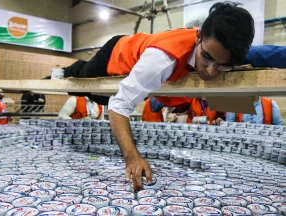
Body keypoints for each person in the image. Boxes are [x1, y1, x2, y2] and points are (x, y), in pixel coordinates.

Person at [62, 2, 255, 191]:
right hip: (116, 55)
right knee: (82, 83)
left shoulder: (227, 51)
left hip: (141, 73)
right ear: (198, 38)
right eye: (207, 57)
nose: (212, 71)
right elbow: (119, 106)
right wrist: (133, 158)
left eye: (223, 66)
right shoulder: (163, 59)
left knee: (103, 96)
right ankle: (63, 72)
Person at [142, 97, 225, 124]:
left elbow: (220, 118)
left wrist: (218, 121)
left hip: (207, 135)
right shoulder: (193, 99)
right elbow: (179, 106)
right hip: (190, 134)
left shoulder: (216, 103)